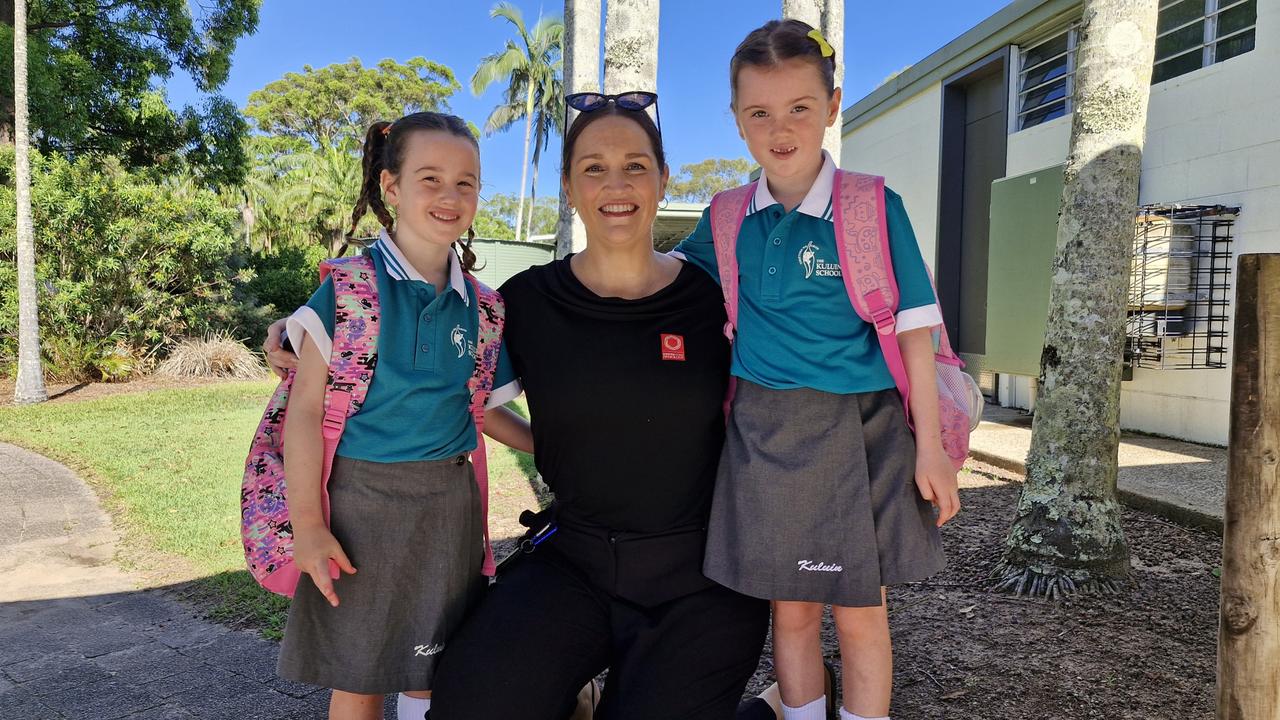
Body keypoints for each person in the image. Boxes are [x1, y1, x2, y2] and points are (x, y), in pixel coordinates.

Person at [425, 94, 772, 720]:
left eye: (636, 165)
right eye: (594, 167)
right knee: (470, 705)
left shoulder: (715, 298)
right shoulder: (526, 301)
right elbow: (435, 368)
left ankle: (772, 709)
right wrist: (309, 328)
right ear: (567, 186)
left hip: (702, 575)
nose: (617, 184)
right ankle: (575, 690)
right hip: (574, 561)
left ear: (663, 178)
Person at [672, 19, 961, 720]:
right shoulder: (726, 217)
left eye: (800, 107)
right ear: (737, 120)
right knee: (792, 615)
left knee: (862, 615)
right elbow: (667, 282)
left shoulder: (871, 205)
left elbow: (918, 330)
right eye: (760, 112)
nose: (781, 127)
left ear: (832, 107)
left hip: (866, 433)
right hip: (765, 436)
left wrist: (930, 447)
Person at [276, 110, 532, 720]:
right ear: (392, 188)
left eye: (466, 182)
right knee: (359, 678)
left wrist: (551, 450)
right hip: (358, 512)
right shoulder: (347, 289)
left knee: (431, 672)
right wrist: (309, 526)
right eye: (430, 178)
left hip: (450, 512)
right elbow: (307, 414)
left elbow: (482, 412)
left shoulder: (485, 308)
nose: (450, 196)